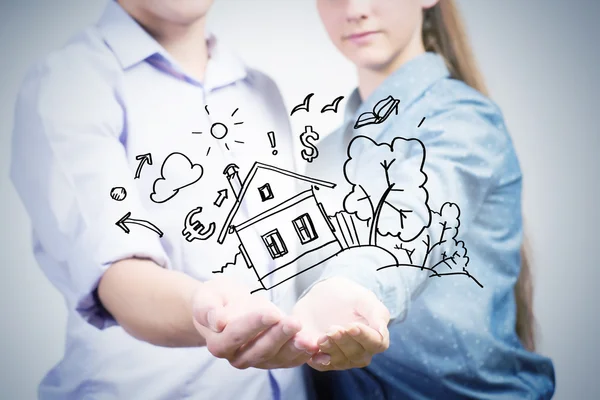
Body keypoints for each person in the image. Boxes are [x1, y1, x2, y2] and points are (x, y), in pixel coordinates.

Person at [10, 0, 390, 399]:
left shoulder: (259, 89)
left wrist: (344, 292)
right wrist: (207, 309)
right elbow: (118, 278)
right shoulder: (70, 83)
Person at [298, 0, 557, 398]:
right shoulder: (325, 155)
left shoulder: (464, 121)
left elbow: (413, 222)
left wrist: (348, 290)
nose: (355, 9)